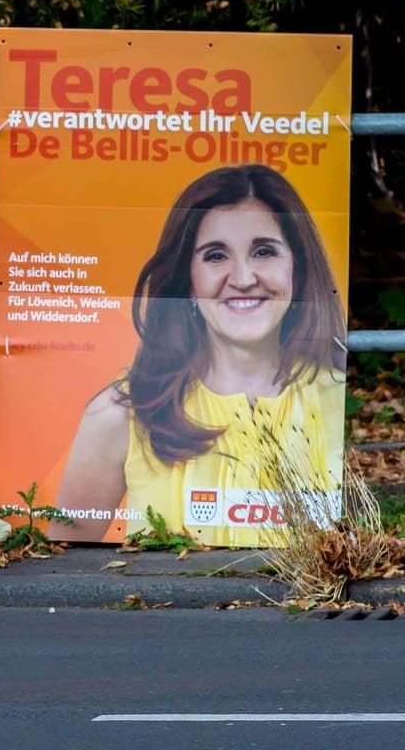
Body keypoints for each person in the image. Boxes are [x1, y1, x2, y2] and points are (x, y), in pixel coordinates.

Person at [50, 164, 348, 546]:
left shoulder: (341, 404)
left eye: (263, 251)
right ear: (187, 281)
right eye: (215, 256)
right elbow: (60, 572)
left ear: (297, 267)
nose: (242, 278)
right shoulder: (119, 414)